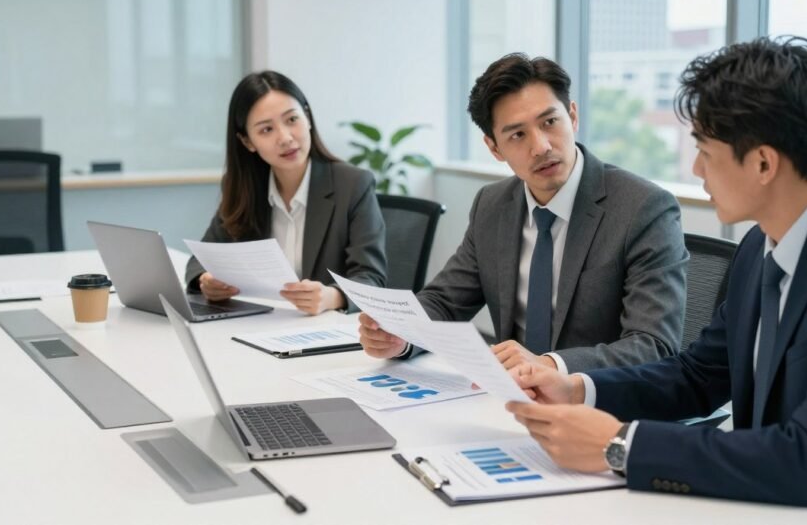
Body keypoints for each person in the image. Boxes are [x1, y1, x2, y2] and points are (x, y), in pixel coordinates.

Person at [506, 37, 807, 524]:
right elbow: (699, 376)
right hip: (775, 505)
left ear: (762, 163)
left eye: (705, 152)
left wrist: (619, 445)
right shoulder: (761, 245)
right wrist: (579, 388)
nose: (696, 170)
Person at [359, 53, 688, 373]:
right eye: (518, 134)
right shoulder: (493, 205)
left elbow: (653, 345)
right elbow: (445, 302)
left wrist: (550, 366)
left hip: (598, 408)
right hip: (509, 401)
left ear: (572, 117)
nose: (541, 146)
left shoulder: (642, 208)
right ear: (494, 147)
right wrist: (401, 334)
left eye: (550, 122)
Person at [185, 71, 387, 314]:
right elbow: (201, 258)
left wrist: (332, 297)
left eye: (292, 120)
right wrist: (206, 280)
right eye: (266, 130)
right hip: (259, 328)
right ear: (248, 142)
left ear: (308, 118)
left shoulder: (353, 184)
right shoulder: (244, 188)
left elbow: (371, 278)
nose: (285, 138)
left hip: (325, 333)